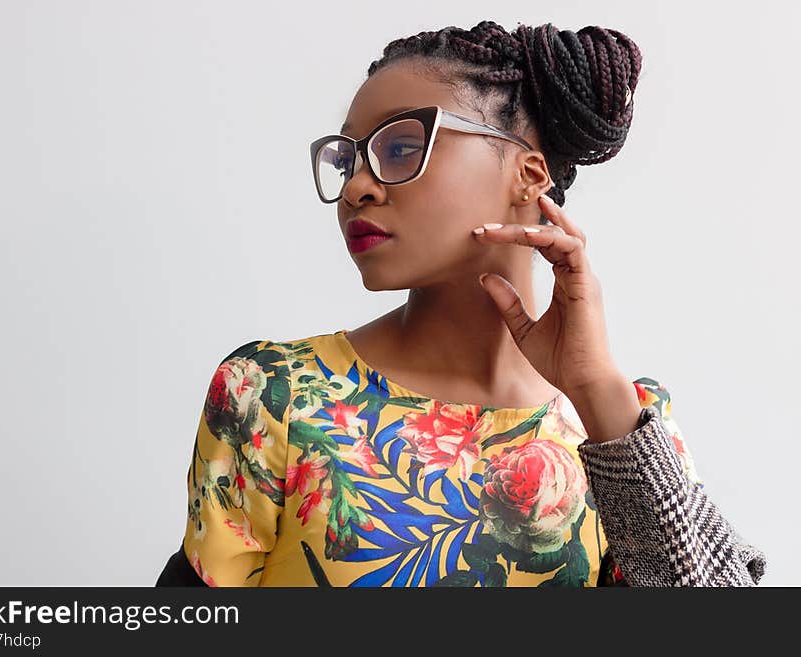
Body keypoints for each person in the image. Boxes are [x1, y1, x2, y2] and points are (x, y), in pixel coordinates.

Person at [156, 21, 766, 587]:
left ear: (528, 175)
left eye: (399, 147)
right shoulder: (274, 394)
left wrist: (596, 391)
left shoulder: (624, 424)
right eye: (348, 160)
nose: (355, 187)